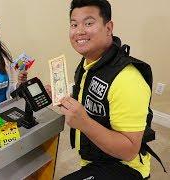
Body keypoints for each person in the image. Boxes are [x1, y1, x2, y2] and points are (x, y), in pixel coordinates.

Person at [55, 0, 160, 179]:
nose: (79, 31)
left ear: (108, 28)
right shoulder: (89, 63)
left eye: (88, 23)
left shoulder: (128, 79)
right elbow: (93, 98)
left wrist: (84, 123)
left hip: (125, 167)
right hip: (96, 158)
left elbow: (129, 151)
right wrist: (64, 97)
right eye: (74, 24)